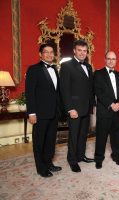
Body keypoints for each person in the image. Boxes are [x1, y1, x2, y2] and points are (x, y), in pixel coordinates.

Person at [25, 43, 62, 177]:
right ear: (40, 54)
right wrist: (31, 113)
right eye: (46, 52)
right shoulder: (33, 69)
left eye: (51, 52)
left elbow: (56, 92)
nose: (49, 54)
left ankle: (48, 163)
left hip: (53, 113)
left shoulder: (55, 69)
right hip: (40, 113)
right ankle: (41, 168)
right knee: (39, 141)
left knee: (51, 140)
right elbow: (30, 93)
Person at [60, 39, 95, 173]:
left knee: (83, 135)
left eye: (84, 51)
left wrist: (92, 105)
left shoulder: (88, 66)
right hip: (74, 108)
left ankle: (81, 156)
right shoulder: (67, 66)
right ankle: (72, 160)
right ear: (74, 51)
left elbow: (89, 87)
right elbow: (65, 89)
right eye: (79, 50)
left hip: (86, 107)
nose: (82, 53)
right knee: (74, 135)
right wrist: (70, 108)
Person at [93, 51, 119, 169]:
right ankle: (99, 158)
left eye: (114, 59)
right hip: (105, 110)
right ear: (105, 59)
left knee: (117, 135)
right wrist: (111, 104)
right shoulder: (98, 74)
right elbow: (98, 92)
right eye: (109, 58)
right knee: (101, 136)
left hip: (118, 111)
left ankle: (116, 156)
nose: (111, 61)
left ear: (116, 60)